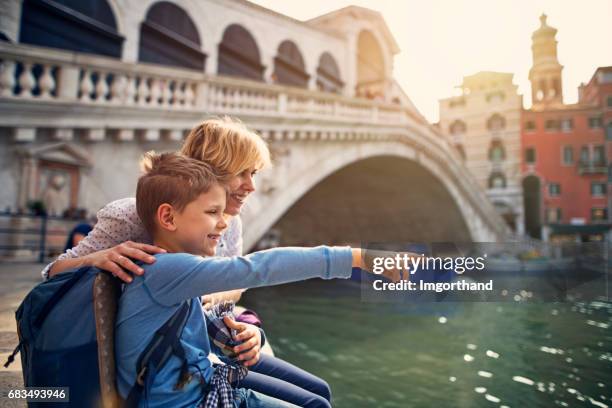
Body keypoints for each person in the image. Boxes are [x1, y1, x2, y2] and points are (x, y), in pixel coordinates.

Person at [40, 118, 340, 407]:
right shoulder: (131, 215)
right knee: (312, 400)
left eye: (255, 174)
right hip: (167, 366)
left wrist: (234, 315)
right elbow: (52, 274)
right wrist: (98, 258)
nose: (251, 186)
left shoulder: (229, 221)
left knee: (319, 390)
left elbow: (235, 283)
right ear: (211, 170)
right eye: (242, 172)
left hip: (204, 345)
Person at [115, 152, 404, 407]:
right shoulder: (167, 269)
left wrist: (245, 335)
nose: (223, 221)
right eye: (212, 212)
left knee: (318, 398)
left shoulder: (170, 270)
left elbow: (191, 337)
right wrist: (356, 258)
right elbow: (259, 267)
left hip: (201, 387)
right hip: (195, 399)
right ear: (168, 218)